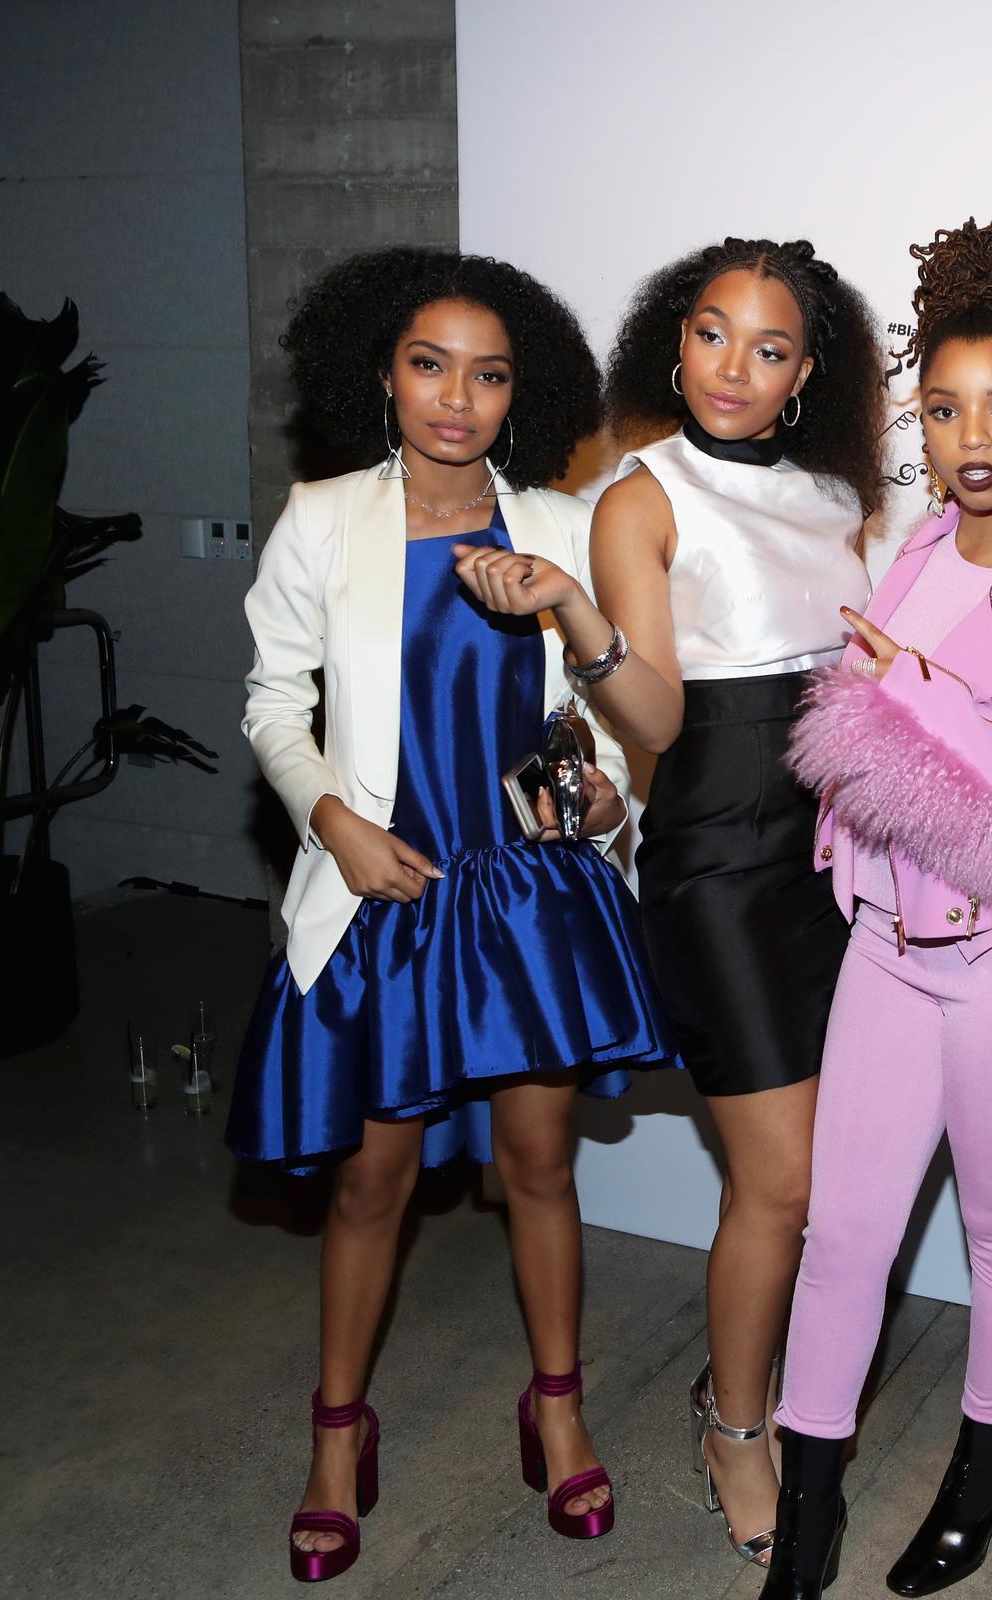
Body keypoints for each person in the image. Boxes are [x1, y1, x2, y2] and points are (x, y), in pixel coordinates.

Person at [231, 249, 676, 1582]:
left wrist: (606, 801)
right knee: (372, 1181)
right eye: (431, 364)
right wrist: (337, 826)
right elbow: (272, 704)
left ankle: (558, 1406)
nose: (457, 397)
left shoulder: (555, 521)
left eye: (489, 374)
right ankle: (335, 1434)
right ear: (381, 371)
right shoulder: (323, 518)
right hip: (389, 893)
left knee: (536, 1165)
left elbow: (606, 716)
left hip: (523, 896)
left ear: (515, 394)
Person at [760, 219, 992, 1599]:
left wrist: (919, 700)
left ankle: (985, 1468)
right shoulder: (910, 555)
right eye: (945, 407)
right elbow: (860, 744)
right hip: (888, 949)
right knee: (843, 1236)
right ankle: (810, 1516)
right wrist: (846, 850)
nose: (974, 437)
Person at [558, 237, 886, 1566]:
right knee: (784, 1180)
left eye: (768, 346)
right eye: (709, 332)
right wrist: (586, 630)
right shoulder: (641, 496)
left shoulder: (831, 498)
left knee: (829, 1179)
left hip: (841, 857)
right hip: (717, 865)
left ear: (808, 373)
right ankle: (735, 1423)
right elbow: (651, 713)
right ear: (671, 341)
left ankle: (760, 1395)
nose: (732, 367)